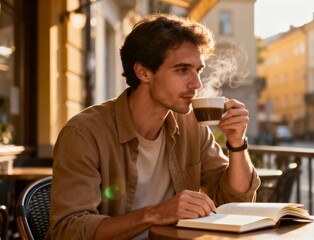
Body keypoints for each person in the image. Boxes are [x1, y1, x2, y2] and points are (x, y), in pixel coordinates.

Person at [48, 13, 260, 239]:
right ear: (143, 72)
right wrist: (155, 214)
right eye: (182, 70)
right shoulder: (84, 133)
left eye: (198, 70)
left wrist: (236, 143)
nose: (196, 84)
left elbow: (236, 202)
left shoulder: (192, 125)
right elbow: (68, 230)